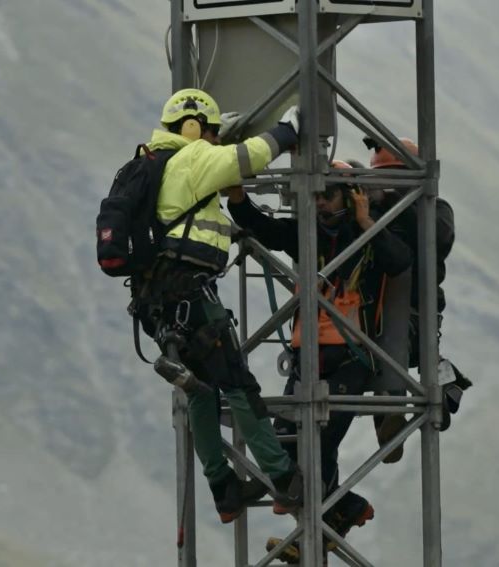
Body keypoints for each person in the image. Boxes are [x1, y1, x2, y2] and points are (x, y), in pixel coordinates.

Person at [133, 89, 304, 523]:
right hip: (190, 298)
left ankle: (224, 489)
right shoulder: (192, 159)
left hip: (158, 306)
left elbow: (187, 223)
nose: (212, 139)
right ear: (193, 129)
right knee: (236, 384)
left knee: (200, 391)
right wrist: (290, 129)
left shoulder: (153, 164)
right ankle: (285, 477)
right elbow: (250, 157)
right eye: (209, 132)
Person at [227, 160, 412, 551]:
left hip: (350, 357)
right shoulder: (307, 235)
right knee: (285, 441)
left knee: (319, 444)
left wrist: (365, 222)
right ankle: (338, 513)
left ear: (350, 195)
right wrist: (238, 198)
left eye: (329, 196)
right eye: (317, 197)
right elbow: (267, 229)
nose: (322, 204)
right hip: (305, 354)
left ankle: (322, 529)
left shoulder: (366, 235)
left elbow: (399, 261)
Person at [363, 137, 464, 460]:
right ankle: (393, 415)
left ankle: (398, 409)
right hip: (370, 310)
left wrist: (397, 203)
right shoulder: (370, 211)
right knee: (378, 349)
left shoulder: (434, 210)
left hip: (415, 312)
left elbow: (437, 237)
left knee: (396, 342)